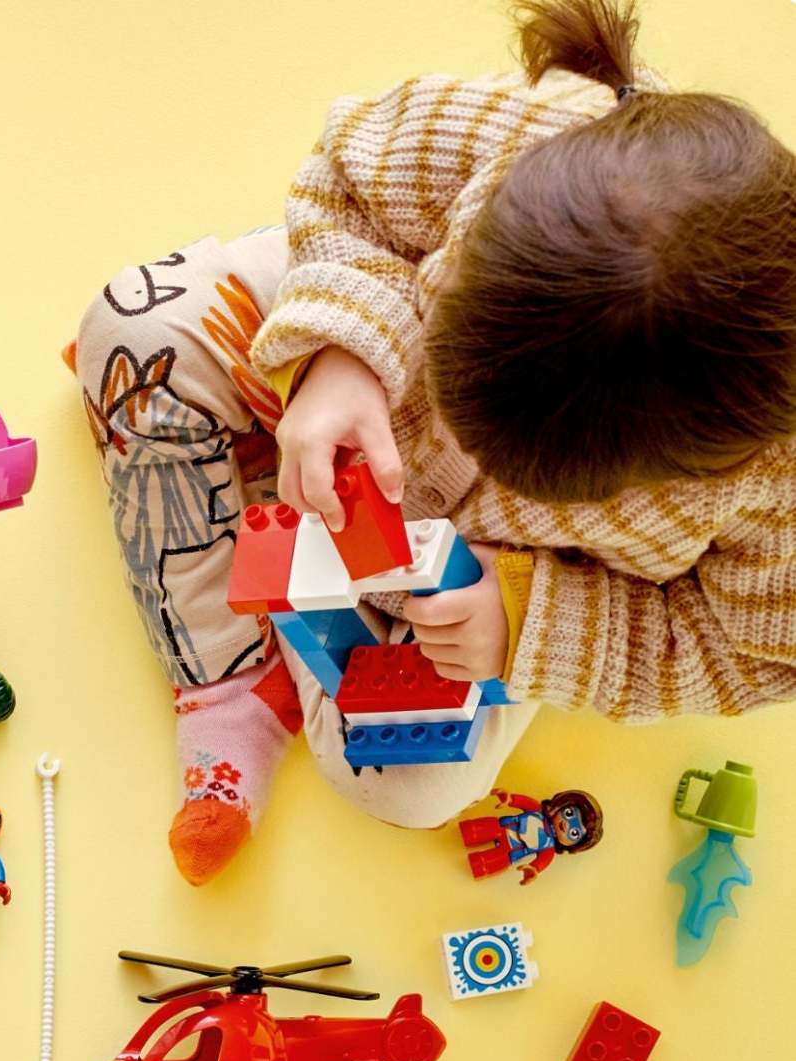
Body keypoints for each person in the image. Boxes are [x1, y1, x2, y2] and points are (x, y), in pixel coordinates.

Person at [69, 0, 796, 884]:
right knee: (133, 332)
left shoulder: (778, 499)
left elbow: (746, 656)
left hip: (474, 586)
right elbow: (345, 183)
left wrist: (526, 623)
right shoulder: (514, 129)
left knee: (411, 787)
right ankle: (229, 685)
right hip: (370, 370)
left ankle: (254, 507)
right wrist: (340, 352)